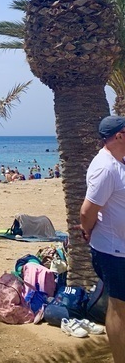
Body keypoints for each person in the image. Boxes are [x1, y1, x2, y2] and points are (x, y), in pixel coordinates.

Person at [81, 116, 125, 359]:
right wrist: (86, 230)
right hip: (113, 251)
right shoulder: (104, 167)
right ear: (118, 136)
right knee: (119, 306)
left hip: (121, 246)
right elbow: (87, 210)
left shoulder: (119, 161)